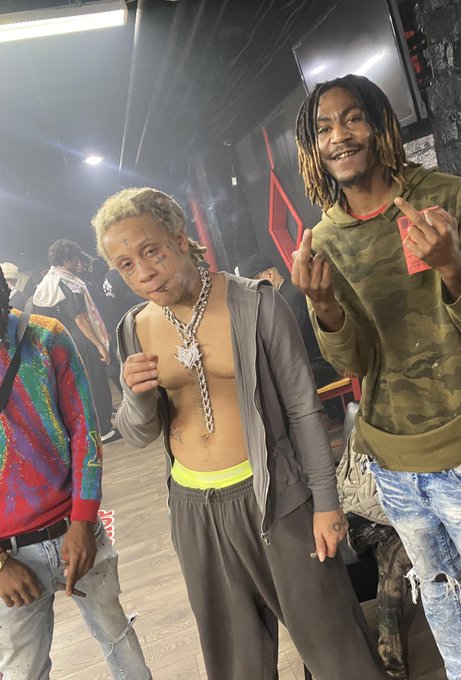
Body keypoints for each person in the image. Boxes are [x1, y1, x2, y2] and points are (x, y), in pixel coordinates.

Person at [292, 73, 461, 680]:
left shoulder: (446, 198)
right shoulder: (325, 240)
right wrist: (325, 307)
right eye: (323, 128)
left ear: (380, 125)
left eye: (352, 118)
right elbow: (354, 363)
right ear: (312, 148)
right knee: (439, 598)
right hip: (392, 461)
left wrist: (450, 265)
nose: (339, 136)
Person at [91, 187, 388, 680]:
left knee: (337, 648)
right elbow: (138, 433)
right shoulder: (134, 328)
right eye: (125, 264)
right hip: (194, 509)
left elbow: (303, 409)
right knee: (235, 661)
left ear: (180, 239)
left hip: (276, 499)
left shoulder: (255, 303)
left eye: (151, 251)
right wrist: (136, 395)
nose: (143, 272)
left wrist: (326, 503)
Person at [0, 268, 151, 680]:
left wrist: (84, 521)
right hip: (9, 557)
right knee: (22, 671)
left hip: (77, 530)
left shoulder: (46, 336)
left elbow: (85, 429)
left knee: (120, 642)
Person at [32, 240, 118, 443]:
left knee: (86, 386)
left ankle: (98, 426)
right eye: (74, 259)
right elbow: (80, 318)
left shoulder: (50, 281)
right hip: (82, 341)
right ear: (66, 260)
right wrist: (99, 344)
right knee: (96, 384)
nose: (78, 262)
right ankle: (104, 429)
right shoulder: (66, 282)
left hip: (66, 341)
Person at [235, 253, 339, 388]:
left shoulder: (289, 299)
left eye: (251, 285)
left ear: (269, 275)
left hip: (318, 367)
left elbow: (287, 346)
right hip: (307, 368)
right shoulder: (279, 299)